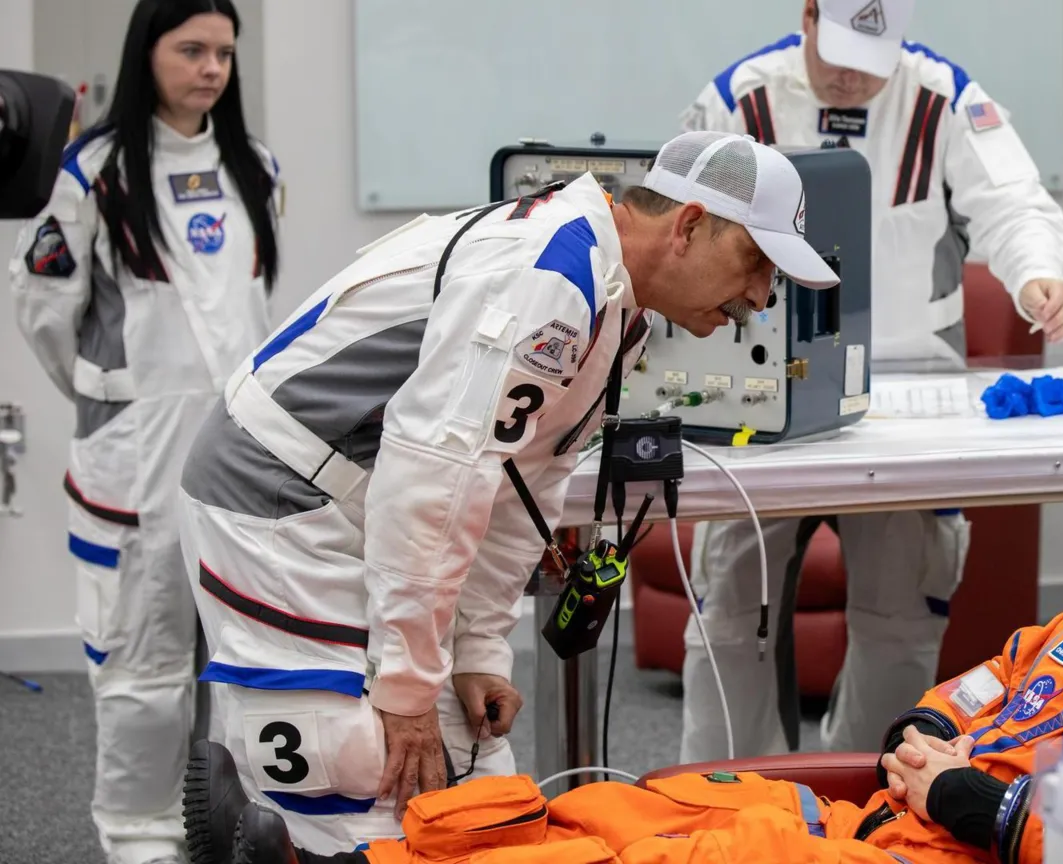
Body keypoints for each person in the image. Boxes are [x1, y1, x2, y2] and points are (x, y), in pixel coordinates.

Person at [176, 129, 839, 859]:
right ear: (687, 225)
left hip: (372, 496)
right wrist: (406, 686)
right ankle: (280, 843)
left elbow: (526, 480)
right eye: (757, 263)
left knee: (478, 779)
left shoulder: (617, 304)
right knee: (366, 767)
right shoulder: (550, 275)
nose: (760, 297)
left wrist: (478, 652)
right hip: (278, 495)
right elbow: (435, 478)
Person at [197, 441, 1063, 864]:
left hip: (923, 855)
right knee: (619, 805)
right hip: (871, 820)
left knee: (655, 862)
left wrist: (961, 790)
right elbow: (945, 704)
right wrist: (933, 746)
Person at [677, 0, 1063, 764]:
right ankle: (727, 788)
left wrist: (1036, 275)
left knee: (902, 614)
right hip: (761, 381)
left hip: (908, 386)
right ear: (807, 17)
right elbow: (683, 218)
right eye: (838, 58)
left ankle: (870, 790)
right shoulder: (741, 96)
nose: (854, 79)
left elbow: (1013, 201)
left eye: (872, 62)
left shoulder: (945, 96)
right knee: (730, 613)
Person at [8, 2, 279, 862]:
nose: (210, 69)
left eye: (225, 54)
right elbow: (46, 312)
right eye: (191, 50)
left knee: (251, 657)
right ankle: (138, 838)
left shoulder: (257, 169)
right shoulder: (92, 170)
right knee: (140, 671)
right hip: (134, 458)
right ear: (147, 54)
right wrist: (113, 397)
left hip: (237, 454)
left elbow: (256, 308)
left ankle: (246, 828)